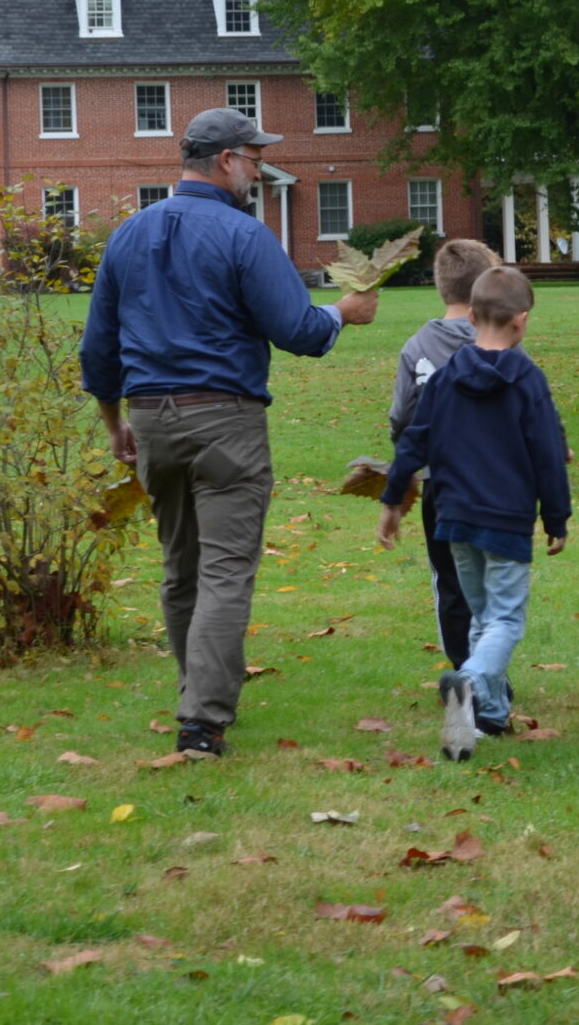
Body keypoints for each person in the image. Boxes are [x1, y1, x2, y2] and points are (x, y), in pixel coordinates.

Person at [80, 107, 379, 760]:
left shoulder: (129, 236)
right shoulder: (245, 237)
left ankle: (196, 696)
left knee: (180, 567)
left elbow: (98, 350)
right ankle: (202, 722)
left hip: (152, 418)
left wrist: (114, 426)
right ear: (224, 162)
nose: (256, 168)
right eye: (252, 157)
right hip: (225, 419)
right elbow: (297, 330)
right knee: (223, 570)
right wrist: (345, 313)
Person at [378, 266, 570, 763]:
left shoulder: (444, 379)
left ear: (471, 314)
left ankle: (480, 718)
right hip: (504, 518)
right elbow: (547, 452)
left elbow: (413, 440)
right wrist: (557, 517)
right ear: (521, 320)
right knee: (505, 618)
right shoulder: (528, 379)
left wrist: (393, 498)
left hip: (455, 516)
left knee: (483, 614)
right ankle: (468, 679)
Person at [387, 238, 504, 671]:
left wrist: (405, 469)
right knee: (495, 581)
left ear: (442, 287)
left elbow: (402, 417)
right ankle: (489, 673)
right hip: (497, 484)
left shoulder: (417, 346)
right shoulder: (504, 339)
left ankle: (466, 672)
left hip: (443, 485)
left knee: (453, 582)